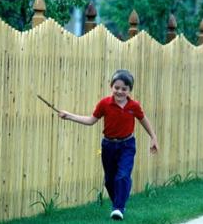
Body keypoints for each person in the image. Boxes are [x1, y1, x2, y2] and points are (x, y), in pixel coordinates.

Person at [58, 69, 158, 220]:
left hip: (127, 145)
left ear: (129, 90)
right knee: (110, 180)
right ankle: (119, 203)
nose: (119, 92)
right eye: (116, 88)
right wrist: (69, 116)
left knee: (123, 175)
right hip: (108, 146)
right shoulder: (104, 104)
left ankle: (118, 208)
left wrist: (153, 137)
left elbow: (143, 119)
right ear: (111, 86)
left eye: (124, 89)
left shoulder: (134, 106)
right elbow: (91, 121)